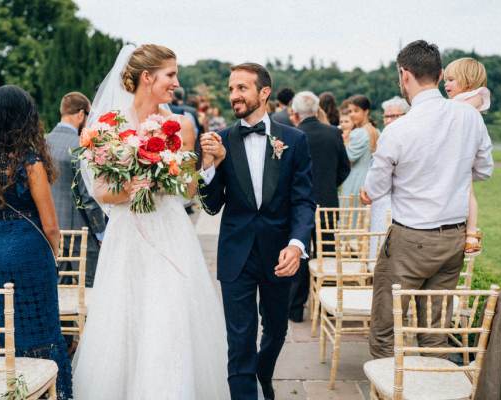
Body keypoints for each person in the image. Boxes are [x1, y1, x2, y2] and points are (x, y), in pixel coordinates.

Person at [71, 44, 229, 399]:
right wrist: (134, 186)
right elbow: (101, 190)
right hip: (128, 234)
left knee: (169, 314)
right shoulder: (110, 126)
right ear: (147, 77)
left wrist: (206, 165)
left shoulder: (183, 125)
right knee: (125, 316)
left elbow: (188, 190)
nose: (176, 82)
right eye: (170, 74)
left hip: (170, 230)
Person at [360, 40, 493, 359]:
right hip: (452, 239)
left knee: (384, 329)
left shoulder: (399, 130)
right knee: (435, 333)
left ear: (405, 75)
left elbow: (373, 189)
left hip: (410, 241)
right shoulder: (469, 118)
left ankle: (390, 391)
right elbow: (484, 170)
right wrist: (450, 173)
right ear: (439, 73)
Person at [199, 63, 315, 400]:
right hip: (236, 255)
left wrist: (296, 245)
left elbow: (304, 201)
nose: (234, 95)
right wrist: (210, 166)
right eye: (231, 88)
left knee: (277, 330)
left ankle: (262, 374)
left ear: (264, 93)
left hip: (280, 254)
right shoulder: (219, 140)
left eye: (242, 88)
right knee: (239, 340)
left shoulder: (294, 139)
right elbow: (211, 205)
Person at [0, 85, 72, 398]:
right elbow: (50, 225)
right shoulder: (30, 162)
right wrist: (54, 254)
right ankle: (47, 390)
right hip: (29, 253)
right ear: (25, 119)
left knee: (5, 328)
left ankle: (13, 388)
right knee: (42, 329)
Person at [288, 90, 350, 323]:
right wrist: (328, 186)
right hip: (328, 204)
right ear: (316, 110)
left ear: (295, 113)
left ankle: (295, 308)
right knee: (329, 254)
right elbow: (344, 167)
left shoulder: (293, 135)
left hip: (299, 205)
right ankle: (328, 306)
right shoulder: (333, 133)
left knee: (299, 254)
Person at [46, 92, 106, 288]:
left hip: (47, 230)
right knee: (89, 287)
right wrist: (101, 232)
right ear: (81, 114)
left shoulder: (40, 143)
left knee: (57, 289)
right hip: (79, 232)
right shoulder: (80, 146)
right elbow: (87, 196)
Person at [444, 57, 491, 256]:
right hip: (457, 151)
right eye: (445, 79)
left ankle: (471, 234)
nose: (446, 84)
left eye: (452, 79)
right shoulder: (455, 101)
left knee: (468, 193)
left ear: (469, 81)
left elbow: (465, 109)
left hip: (463, 154)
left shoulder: (475, 96)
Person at [368, 95, 410, 256]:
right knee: (378, 247)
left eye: (394, 116)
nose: (389, 120)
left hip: (398, 203)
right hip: (380, 201)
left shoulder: (407, 137)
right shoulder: (384, 136)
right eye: (386, 116)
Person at [340, 95, 379, 203]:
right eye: (350, 111)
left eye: (356, 111)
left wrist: (345, 140)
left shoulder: (359, 133)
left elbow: (349, 157)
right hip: (370, 178)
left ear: (366, 111)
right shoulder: (374, 130)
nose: (352, 114)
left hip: (356, 179)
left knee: (352, 214)